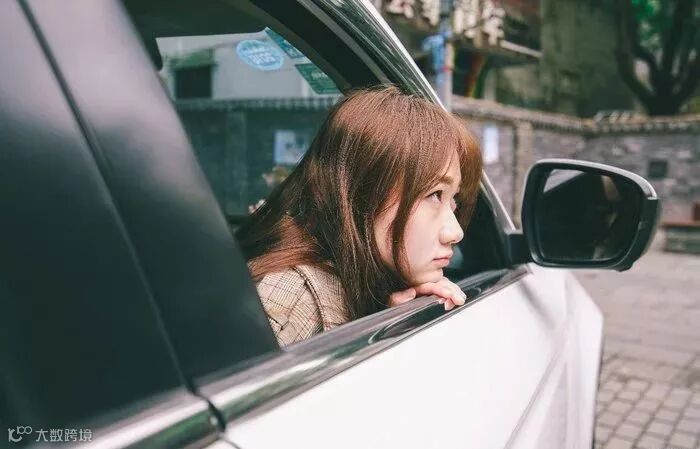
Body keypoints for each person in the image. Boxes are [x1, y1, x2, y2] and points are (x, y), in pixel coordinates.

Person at [236, 85, 483, 346]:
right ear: (364, 194)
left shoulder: (370, 281)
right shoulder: (292, 303)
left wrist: (389, 321)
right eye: (434, 194)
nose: (456, 233)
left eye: (453, 199)